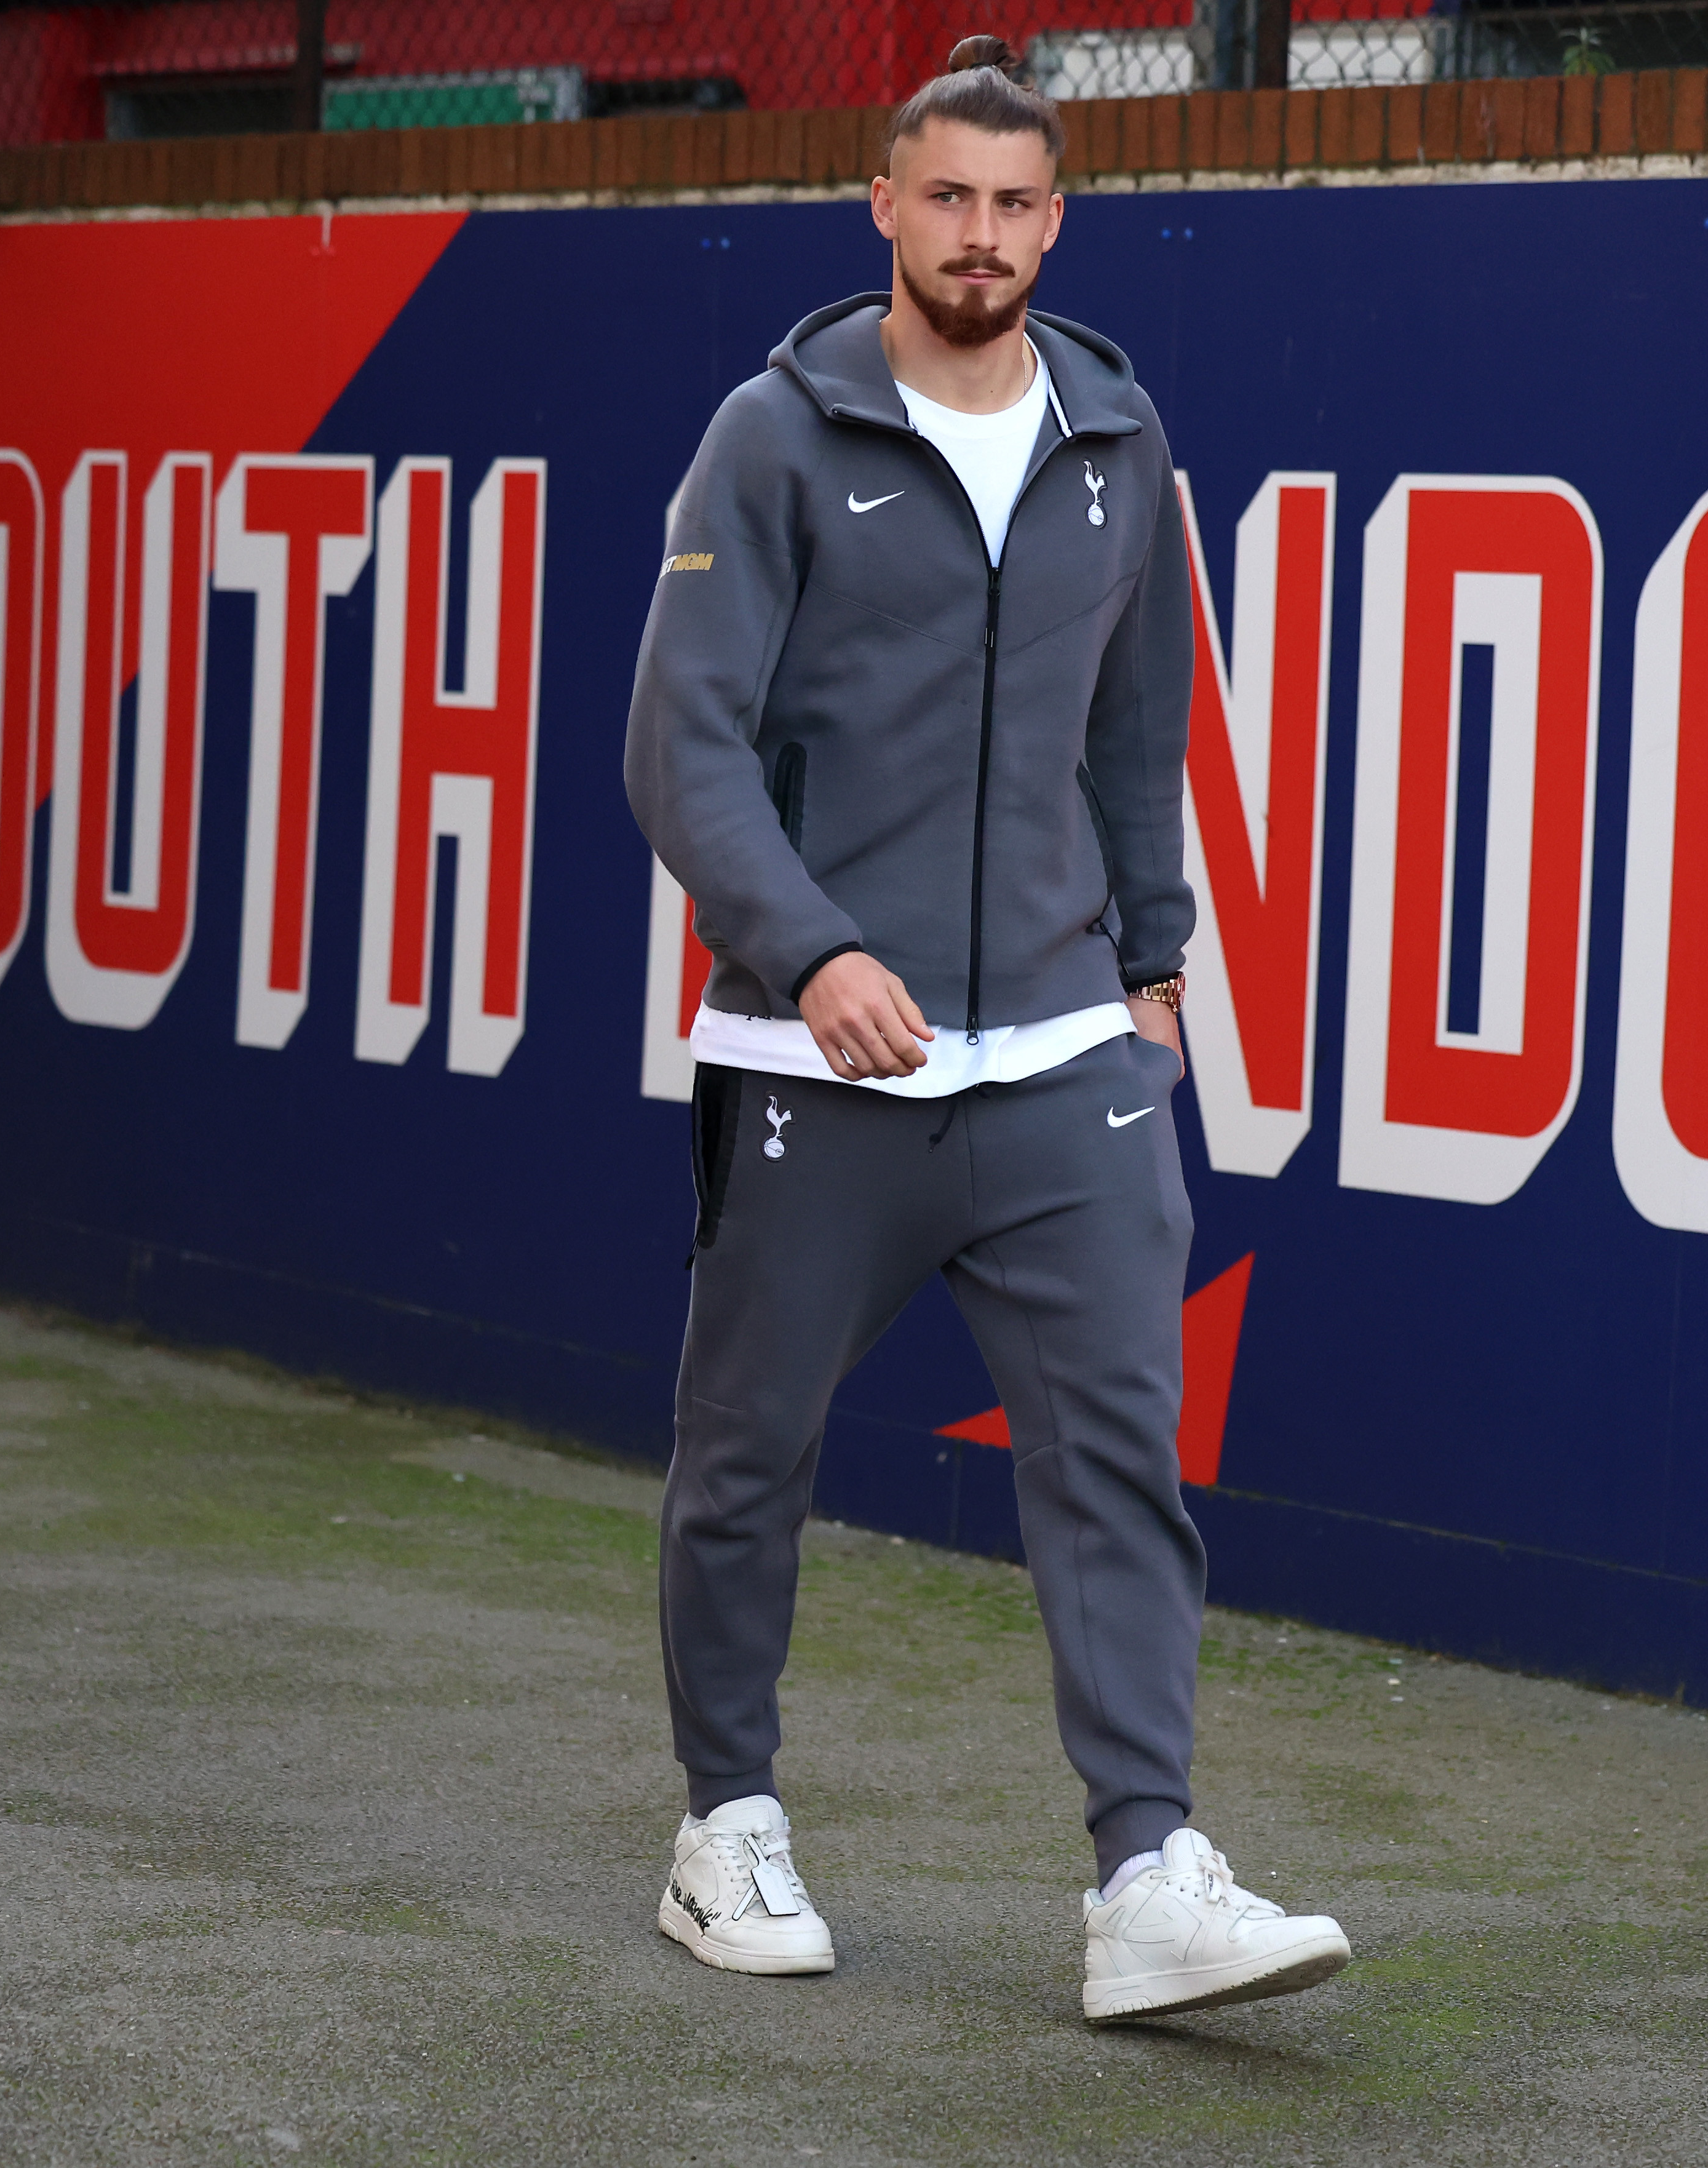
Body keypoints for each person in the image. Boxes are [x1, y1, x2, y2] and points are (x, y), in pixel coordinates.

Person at [619, 35, 1351, 2024]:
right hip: (817, 1061)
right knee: (745, 1453)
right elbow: (679, 746)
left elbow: (1138, 725)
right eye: (946, 197)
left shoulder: (1116, 435)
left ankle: (1146, 1875)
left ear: (1056, 222)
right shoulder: (773, 437)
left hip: (1058, 1065)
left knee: (1118, 1461)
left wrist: (1153, 967)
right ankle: (724, 1820)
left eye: (1015, 204)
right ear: (882, 203)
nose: (979, 235)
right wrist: (806, 952)